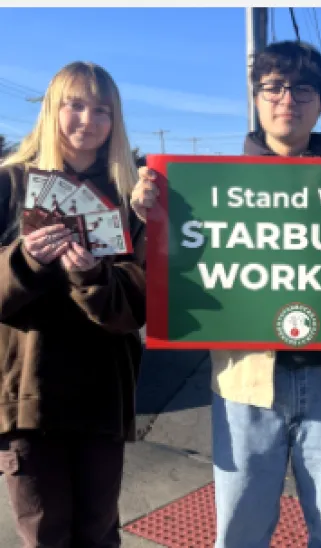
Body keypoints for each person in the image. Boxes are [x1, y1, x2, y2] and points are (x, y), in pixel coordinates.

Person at [132, 40, 321, 548]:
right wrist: (147, 210)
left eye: (304, 88)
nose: (288, 98)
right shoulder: (209, 185)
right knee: (240, 532)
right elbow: (173, 260)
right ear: (257, 96)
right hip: (247, 381)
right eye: (274, 86)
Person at [0, 61, 146, 547]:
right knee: (44, 534)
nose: (88, 120)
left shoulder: (131, 199)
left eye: (102, 110)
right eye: (75, 105)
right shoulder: (9, 186)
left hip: (102, 398)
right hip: (27, 399)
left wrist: (90, 276)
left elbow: (134, 308)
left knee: (99, 533)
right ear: (50, 110)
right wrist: (23, 262)